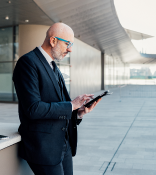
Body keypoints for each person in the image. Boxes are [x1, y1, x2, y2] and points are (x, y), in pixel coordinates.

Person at [12, 22, 101, 175]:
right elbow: (33, 109)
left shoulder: (53, 66)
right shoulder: (27, 63)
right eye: (67, 43)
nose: (70, 49)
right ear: (53, 41)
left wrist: (78, 112)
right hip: (43, 148)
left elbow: (61, 104)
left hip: (63, 144)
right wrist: (70, 106)